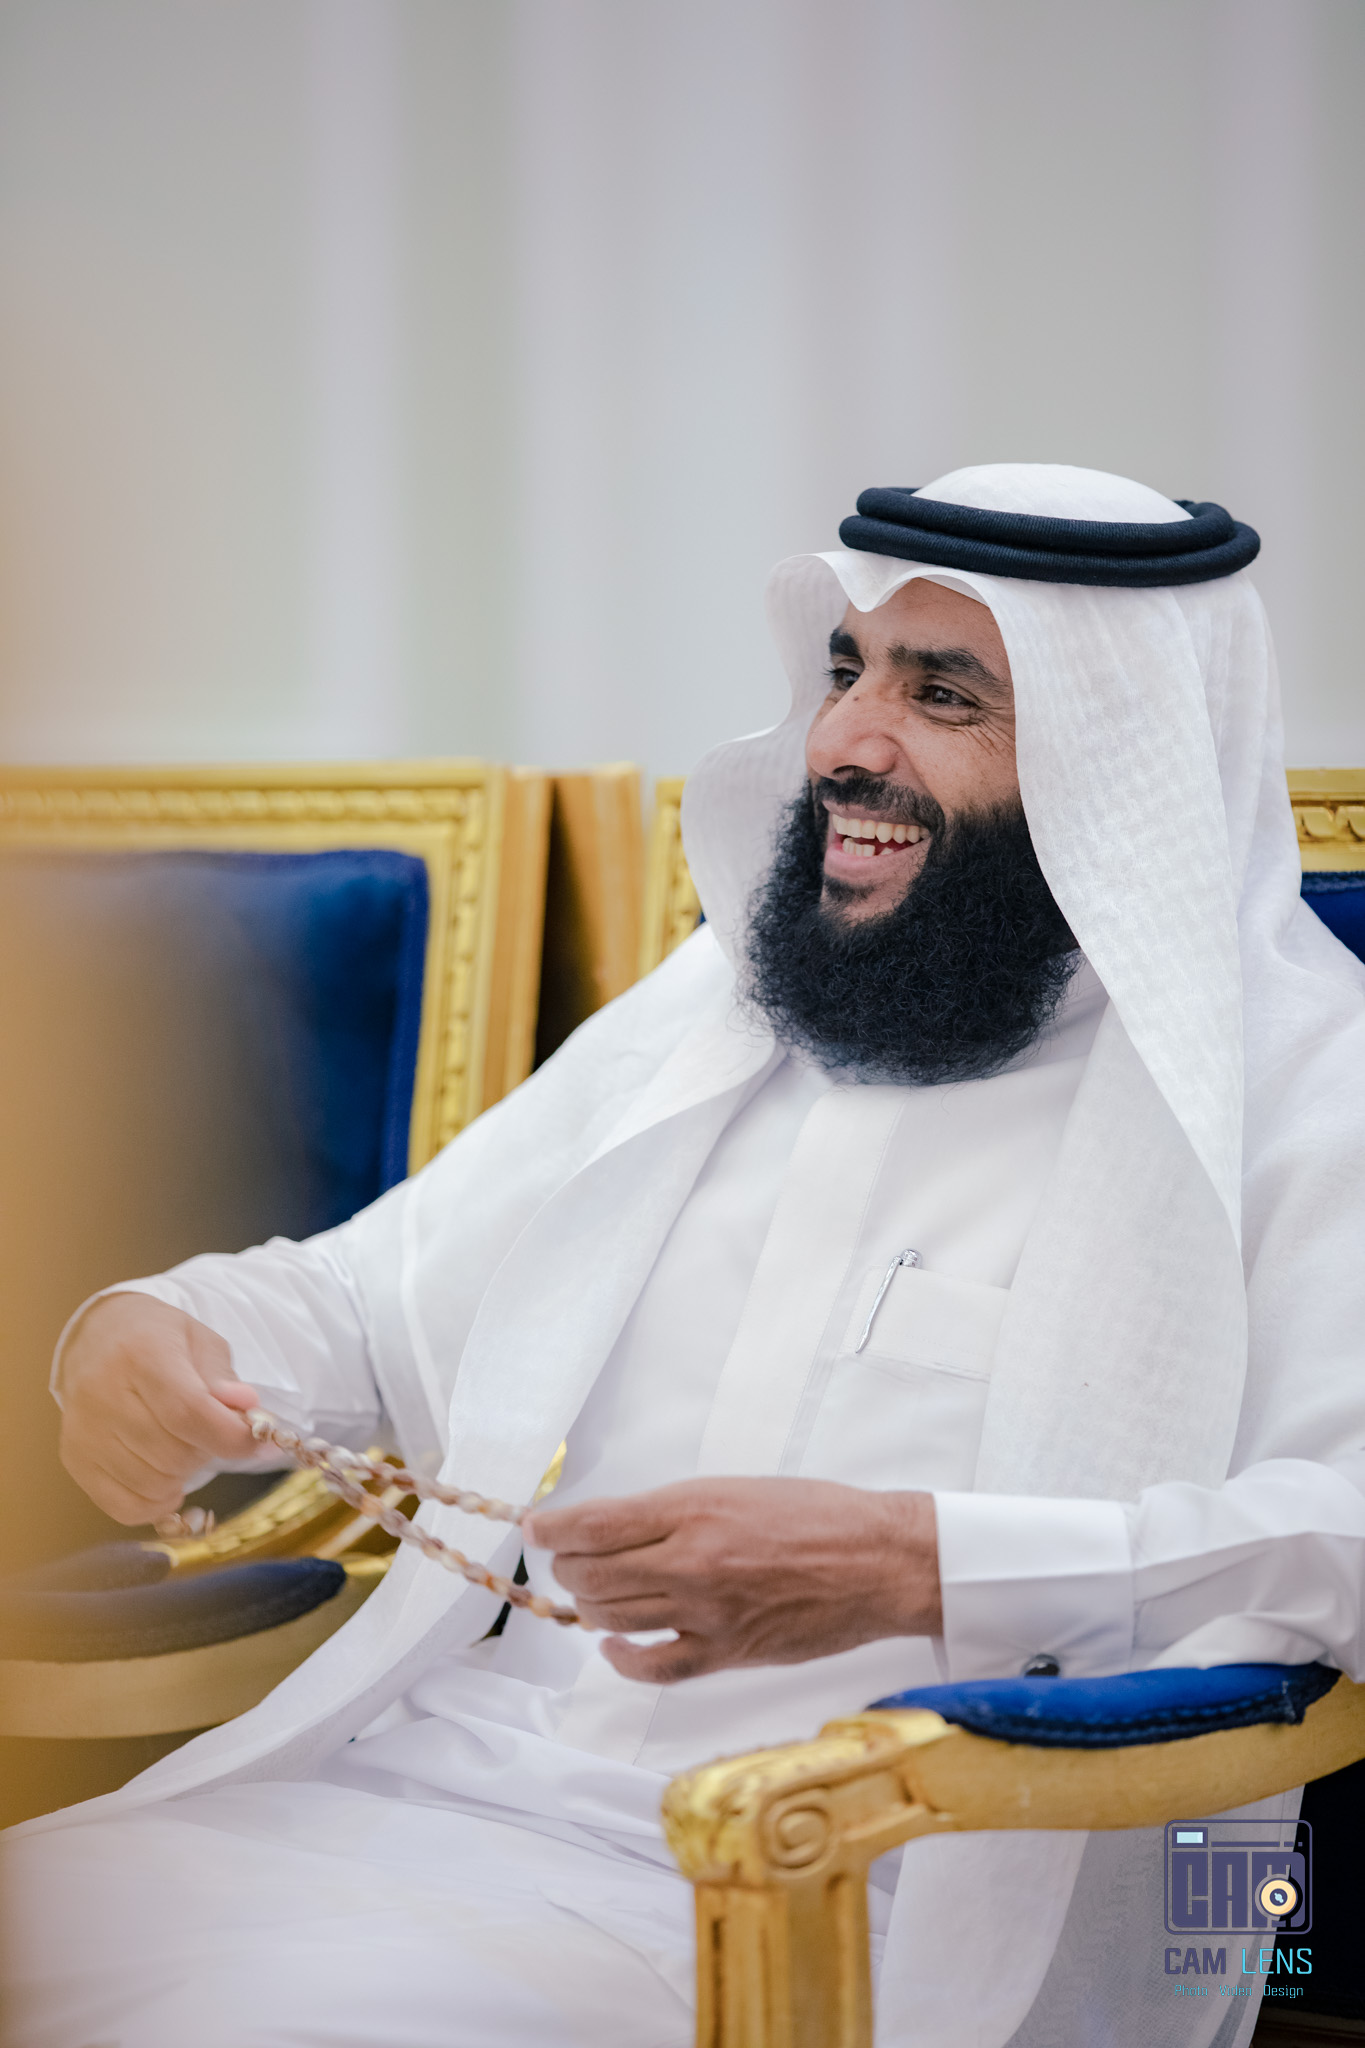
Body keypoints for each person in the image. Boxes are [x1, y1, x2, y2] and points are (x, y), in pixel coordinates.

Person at [6, 463, 1365, 2048]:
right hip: (422, 1800)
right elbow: (362, 1304)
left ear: (1124, 754)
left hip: (878, 1894)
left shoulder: (1307, 1093)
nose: (846, 740)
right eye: (847, 671)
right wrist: (155, 1329)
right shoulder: (723, 1007)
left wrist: (919, 1563)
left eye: (942, 695)